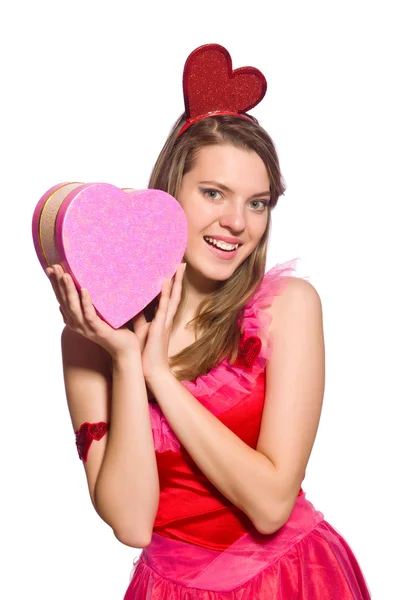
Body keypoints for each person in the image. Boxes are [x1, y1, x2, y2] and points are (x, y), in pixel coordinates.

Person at [45, 45, 371, 599]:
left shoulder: (287, 309)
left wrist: (163, 382)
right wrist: (127, 361)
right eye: (214, 193)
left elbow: (269, 506)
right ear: (169, 193)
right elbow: (131, 523)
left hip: (290, 581)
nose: (237, 223)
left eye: (258, 203)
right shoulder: (90, 343)